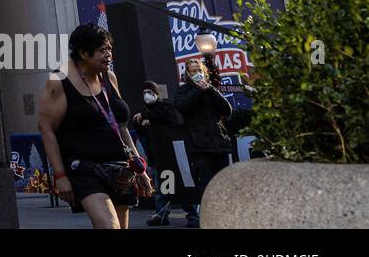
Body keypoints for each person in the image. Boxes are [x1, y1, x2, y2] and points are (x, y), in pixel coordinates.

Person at [38, 24, 153, 229]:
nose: (109, 55)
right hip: (85, 169)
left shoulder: (109, 77)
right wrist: (60, 176)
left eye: (110, 49)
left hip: (120, 169)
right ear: (83, 53)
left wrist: (139, 169)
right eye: (102, 50)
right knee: (109, 226)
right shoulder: (60, 80)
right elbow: (46, 129)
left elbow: (121, 127)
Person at [132, 81, 198, 226]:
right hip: (157, 156)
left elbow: (168, 117)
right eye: (144, 93)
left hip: (174, 155)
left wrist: (145, 116)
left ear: (156, 93)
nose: (147, 95)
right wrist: (140, 123)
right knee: (163, 187)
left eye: (149, 92)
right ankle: (161, 214)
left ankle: (193, 215)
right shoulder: (143, 113)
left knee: (182, 185)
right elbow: (141, 131)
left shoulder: (166, 107)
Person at [176, 57, 234, 222]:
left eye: (199, 70)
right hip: (200, 146)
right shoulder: (183, 91)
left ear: (204, 72)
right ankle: (209, 217)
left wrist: (210, 90)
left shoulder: (211, 89)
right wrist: (197, 90)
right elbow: (181, 107)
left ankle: (226, 215)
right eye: (193, 71)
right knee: (207, 183)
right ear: (188, 74)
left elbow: (227, 109)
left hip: (220, 144)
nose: (196, 73)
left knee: (223, 182)